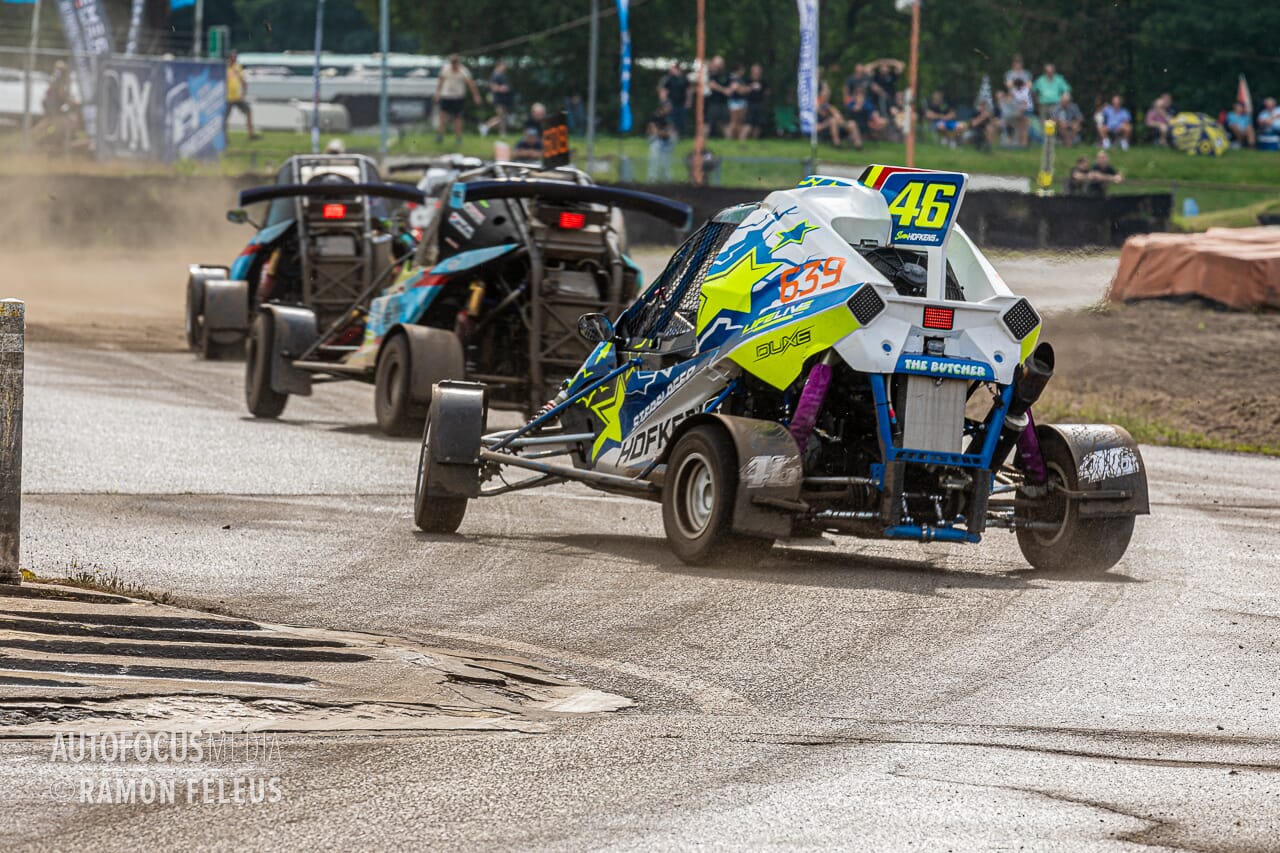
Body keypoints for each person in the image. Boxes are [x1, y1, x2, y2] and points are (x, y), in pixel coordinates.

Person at [434, 53, 482, 146]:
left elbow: (470, 84)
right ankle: (440, 136)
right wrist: (437, 94)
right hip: (446, 96)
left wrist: (476, 95)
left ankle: (458, 138)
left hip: (458, 97)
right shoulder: (445, 69)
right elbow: (440, 82)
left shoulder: (463, 71)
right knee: (442, 117)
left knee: (458, 118)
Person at [224, 50, 259, 140]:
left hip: (237, 96)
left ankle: (251, 134)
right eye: (233, 58)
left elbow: (243, 81)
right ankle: (225, 137)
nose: (235, 60)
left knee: (248, 111)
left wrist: (243, 93)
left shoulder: (237, 67)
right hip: (227, 97)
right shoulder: (225, 68)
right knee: (225, 118)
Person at [481, 61, 514, 137]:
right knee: (502, 116)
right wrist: (502, 88)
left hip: (502, 99)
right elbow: (492, 87)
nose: (505, 68)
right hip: (497, 99)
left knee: (503, 117)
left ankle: (501, 132)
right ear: (499, 66)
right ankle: (486, 126)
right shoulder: (495, 75)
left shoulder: (501, 75)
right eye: (503, 66)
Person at [646, 99, 676, 182]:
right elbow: (653, 131)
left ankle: (666, 179)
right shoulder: (654, 116)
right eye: (668, 107)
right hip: (655, 141)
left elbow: (671, 130)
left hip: (666, 141)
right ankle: (652, 179)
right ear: (663, 108)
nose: (669, 109)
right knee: (654, 160)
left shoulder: (669, 117)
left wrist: (664, 133)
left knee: (666, 161)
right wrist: (664, 133)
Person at [703, 55, 731, 138]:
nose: (718, 65)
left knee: (725, 123)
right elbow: (712, 85)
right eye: (717, 63)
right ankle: (702, 141)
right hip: (712, 103)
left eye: (720, 63)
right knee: (708, 123)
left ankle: (729, 142)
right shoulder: (709, 74)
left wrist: (722, 89)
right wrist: (724, 90)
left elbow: (730, 88)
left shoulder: (726, 74)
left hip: (724, 103)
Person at [814, 82, 849, 148]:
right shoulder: (816, 106)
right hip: (821, 127)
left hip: (831, 126)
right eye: (825, 96)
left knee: (851, 124)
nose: (826, 97)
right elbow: (817, 126)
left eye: (827, 96)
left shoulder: (829, 107)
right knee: (832, 121)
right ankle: (837, 144)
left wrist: (838, 119)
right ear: (821, 96)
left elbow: (838, 117)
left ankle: (857, 145)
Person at [659, 62, 690, 135]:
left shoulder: (684, 78)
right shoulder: (667, 78)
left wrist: (688, 101)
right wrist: (665, 102)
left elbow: (687, 90)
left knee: (681, 119)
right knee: (670, 119)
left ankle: (679, 135)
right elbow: (663, 91)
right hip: (671, 101)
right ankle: (671, 134)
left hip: (681, 102)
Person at [743, 64, 769, 139]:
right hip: (750, 103)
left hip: (760, 103)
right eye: (755, 70)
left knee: (759, 123)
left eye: (758, 70)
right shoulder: (747, 80)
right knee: (748, 122)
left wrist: (765, 93)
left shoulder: (763, 82)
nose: (757, 72)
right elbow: (743, 91)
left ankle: (755, 139)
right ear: (752, 71)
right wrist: (751, 87)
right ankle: (743, 138)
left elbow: (767, 92)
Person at [726, 63, 749, 139]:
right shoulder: (734, 78)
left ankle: (738, 138)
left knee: (739, 121)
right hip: (735, 102)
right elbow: (737, 89)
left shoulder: (739, 79)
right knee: (734, 121)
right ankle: (729, 137)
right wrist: (746, 89)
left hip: (740, 101)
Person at [1008, 79, 1033, 147]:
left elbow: (1025, 104)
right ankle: (1019, 143)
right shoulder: (1014, 90)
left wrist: (1019, 112)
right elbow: (1011, 100)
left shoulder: (1025, 91)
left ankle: (1024, 144)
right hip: (1018, 110)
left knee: (1024, 128)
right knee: (1019, 128)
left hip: (1027, 110)